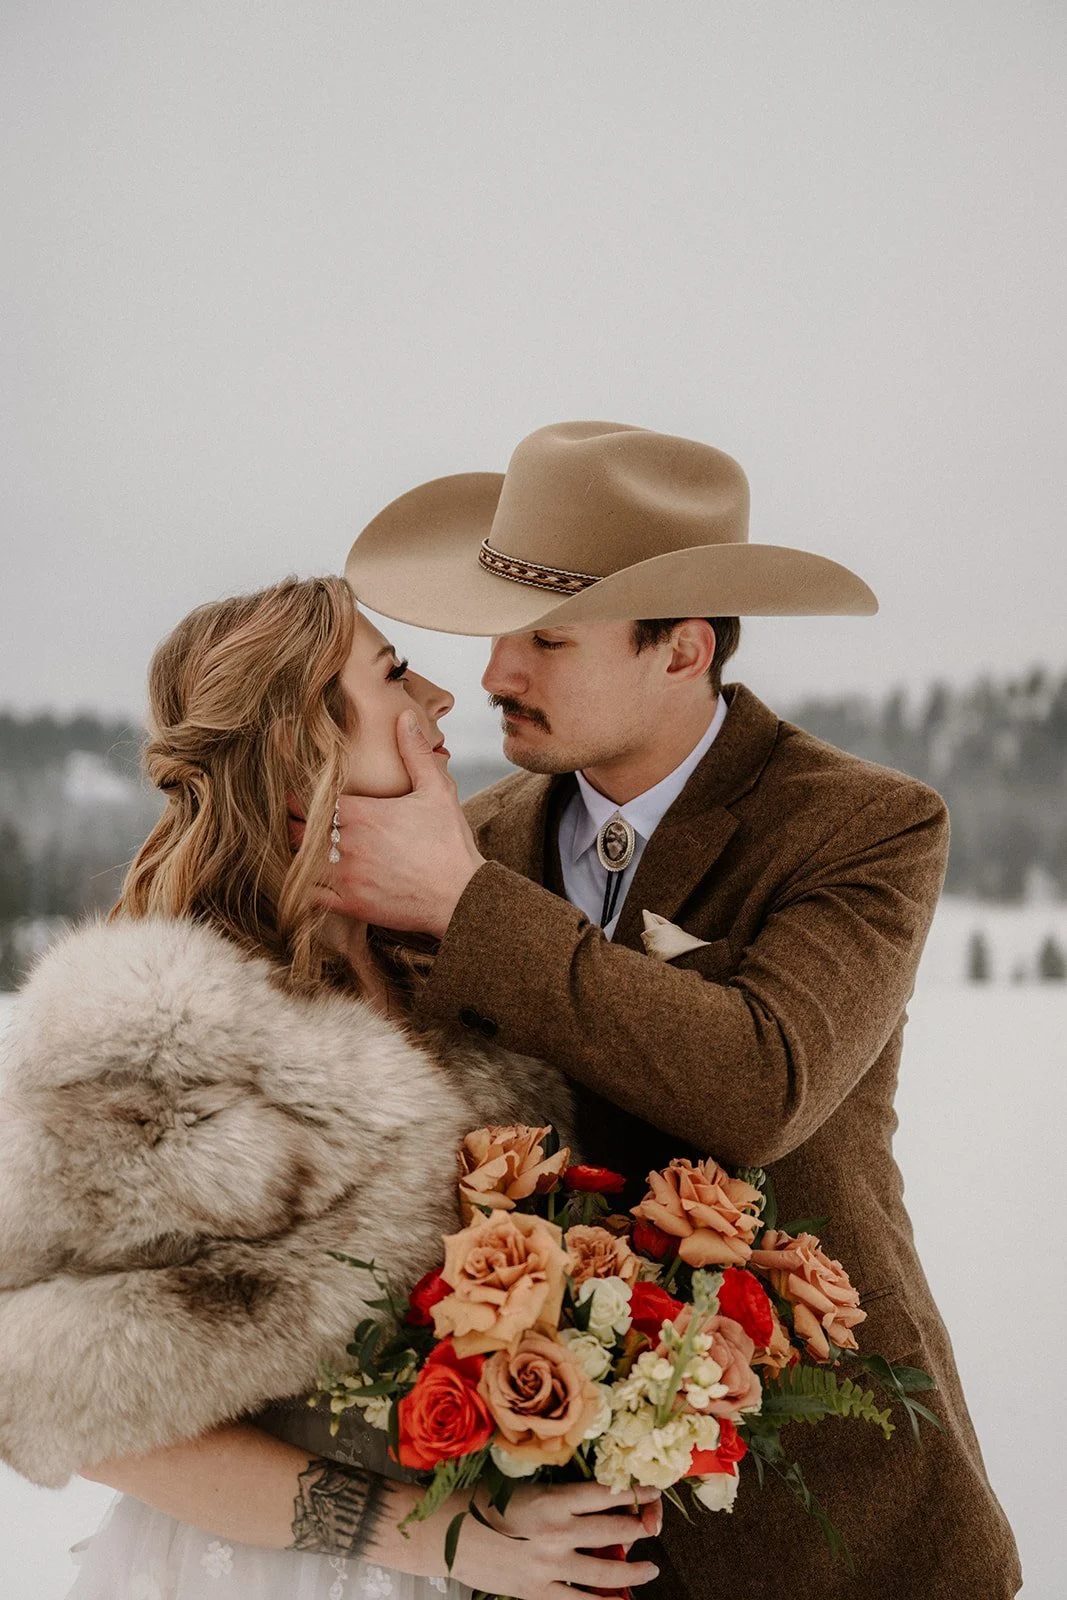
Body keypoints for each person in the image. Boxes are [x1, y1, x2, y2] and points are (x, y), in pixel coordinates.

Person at [327, 420, 1024, 1598]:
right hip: (545, 1528)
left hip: (836, 1520)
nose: (496, 672)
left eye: (545, 638)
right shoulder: (482, 837)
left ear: (681, 648)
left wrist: (465, 906)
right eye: (500, 631)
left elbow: (758, 1086)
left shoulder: (863, 824)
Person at [0, 575, 662, 1600]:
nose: (444, 697)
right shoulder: (148, 1032)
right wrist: (443, 1537)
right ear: (298, 744)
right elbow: (60, 1401)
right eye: (394, 673)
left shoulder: (455, 980)